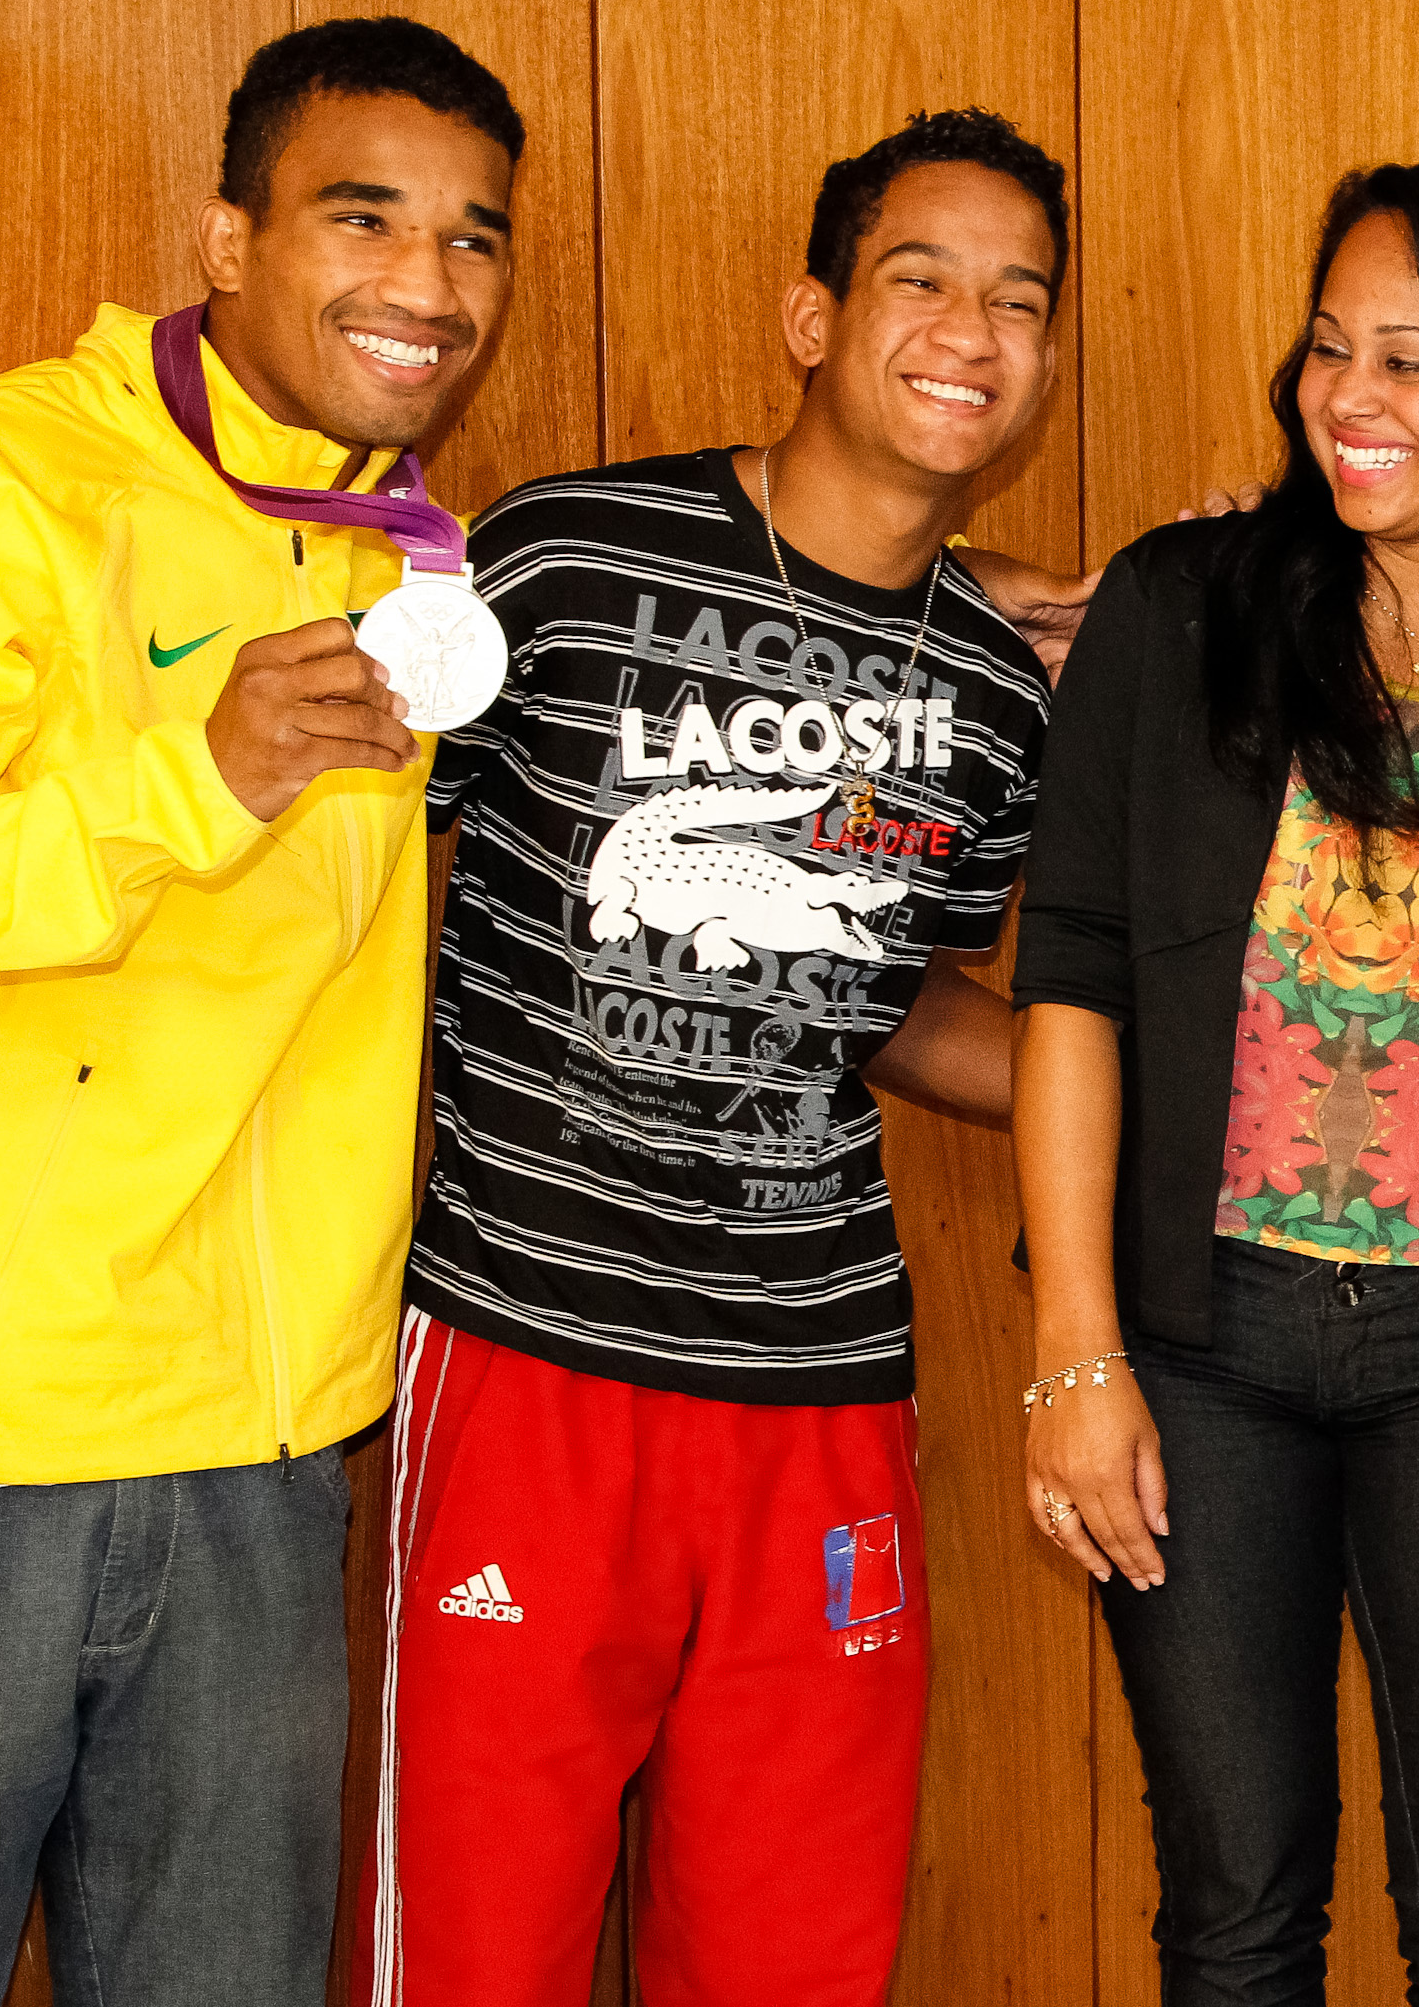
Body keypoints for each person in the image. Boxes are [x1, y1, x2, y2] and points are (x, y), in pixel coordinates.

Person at [0, 17, 522, 2005]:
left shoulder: (414, 552)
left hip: (261, 1451)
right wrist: (179, 783)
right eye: (362, 215)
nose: (426, 282)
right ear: (228, 234)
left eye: (475, 238)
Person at [360, 109, 1069, 2006]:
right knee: (474, 1954)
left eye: (1019, 299)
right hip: (528, 1355)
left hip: (815, 1381)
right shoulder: (567, 556)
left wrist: (1183, 1088)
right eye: (921, 278)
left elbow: (908, 997)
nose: (969, 331)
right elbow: (350, 875)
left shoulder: (995, 687)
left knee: (787, 1962)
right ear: (813, 315)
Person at [1013, 153, 1419, 2005]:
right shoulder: (1187, 603)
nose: (1350, 400)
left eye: (1414, 361)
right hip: (1202, 1350)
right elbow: (1070, 981)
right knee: (1230, 1913)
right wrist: (1079, 1352)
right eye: (1326, 350)